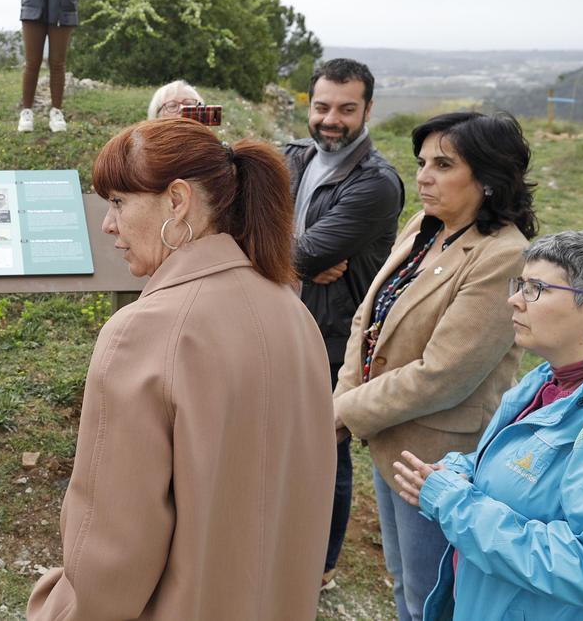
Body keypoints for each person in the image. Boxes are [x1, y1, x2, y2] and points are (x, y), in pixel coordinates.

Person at [28, 118, 335, 620]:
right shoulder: (292, 310)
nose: (108, 225)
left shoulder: (141, 333)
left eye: (119, 202)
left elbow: (113, 553)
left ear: (177, 201)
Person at [332, 111, 537, 621]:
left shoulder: (502, 256)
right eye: (422, 162)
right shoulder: (424, 226)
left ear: (489, 179)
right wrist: (342, 401)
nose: (423, 176)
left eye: (443, 164)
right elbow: (368, 320)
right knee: (405, 584)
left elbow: (443, 375)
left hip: (439, 458)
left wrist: (343, 412)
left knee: (431, 598)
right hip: (390, 440)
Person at [393, 230, 583, 621]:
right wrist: (461, 470)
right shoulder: (546, 380)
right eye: (519, 285)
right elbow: (514, 468)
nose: (513, 299)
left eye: (535, 288)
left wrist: (453, 502)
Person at [284, 58, 405, 589]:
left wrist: (295, 256)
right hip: (287, 321)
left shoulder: (376, 184)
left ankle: (322, 566)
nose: (331, 120)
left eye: (346, 109)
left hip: (334, 338)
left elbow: (308, 253)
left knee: (325, 450)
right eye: (322, 106)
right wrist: (290, 256)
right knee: (286, 443)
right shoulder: (293, 159)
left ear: (368, 110)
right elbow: (286, 246)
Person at [14, 0, 86, 133]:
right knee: (32, 63)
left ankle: (56, 112)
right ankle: (26, 112)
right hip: (33, 6)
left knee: (57, 63)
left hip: (63, 7)